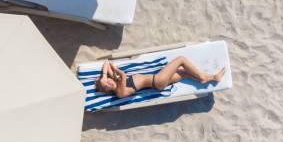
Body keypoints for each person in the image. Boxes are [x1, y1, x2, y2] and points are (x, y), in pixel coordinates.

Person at [95, 56, 225, 98]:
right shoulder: (119, 92)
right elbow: (123, 75)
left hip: (158, 81)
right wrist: (115, 70)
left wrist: (105, 76)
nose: (108, 84)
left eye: (107, 81)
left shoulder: (115, 82)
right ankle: (202, 77)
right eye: (107, 86)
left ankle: (213, 77)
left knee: (184, 73)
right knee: (181, 59)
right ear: (108, 91)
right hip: (157, 80)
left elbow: (106, 64)